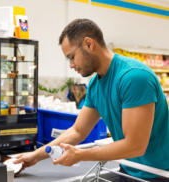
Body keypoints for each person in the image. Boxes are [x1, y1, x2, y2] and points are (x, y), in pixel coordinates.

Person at [14, 19, 169, 181]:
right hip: (128, 169)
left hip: (159, 174)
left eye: (71, 57)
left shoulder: (133, 77)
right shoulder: (95, 84)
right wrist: (35, 156)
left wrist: (81, 155)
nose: (71, 65)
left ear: (89, 44)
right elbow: (77, 131)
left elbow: (135, 146)